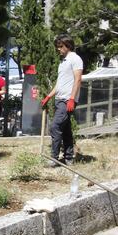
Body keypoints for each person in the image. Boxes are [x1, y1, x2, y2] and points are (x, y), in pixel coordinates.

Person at [41, 34, 83, 167]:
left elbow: (78, 80)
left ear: (68, 46)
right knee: (65, 130)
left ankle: (54, 159)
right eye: (57, 46)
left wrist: (72, 99)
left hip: (67, 100)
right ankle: (69, 158)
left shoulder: (75, 59)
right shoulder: (63, 62)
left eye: (60, 46)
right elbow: (59, 84)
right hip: (59, 99)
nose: (58, 49)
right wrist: (48, 96)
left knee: (55, 127)